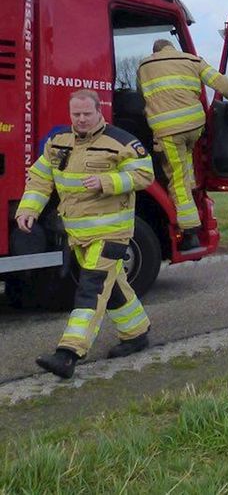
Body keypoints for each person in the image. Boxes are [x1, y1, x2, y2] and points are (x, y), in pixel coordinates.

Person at [16, 90, 156, 379]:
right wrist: (27, 209)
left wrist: (107, 181)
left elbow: (144, 174)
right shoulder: (58, 143)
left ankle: (68, 354)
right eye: (75, 114)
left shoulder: (121, 141)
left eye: (86, 114)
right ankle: (136, 333)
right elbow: (41, 179)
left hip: (111, 233)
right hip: (78, 234)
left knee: (90, 290)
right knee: (112, 287)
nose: (80, 119)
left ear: (98, 111)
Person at [138, 39, 228, 250]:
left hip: (168, 130)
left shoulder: (145, 65)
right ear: (172, 47)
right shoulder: (192, 59)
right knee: (187, 166)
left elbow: (141, 96)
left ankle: (190, 232)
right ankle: (193, 199)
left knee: (176, 178)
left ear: (155, 52)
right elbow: (222, 84)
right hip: (195, 126)